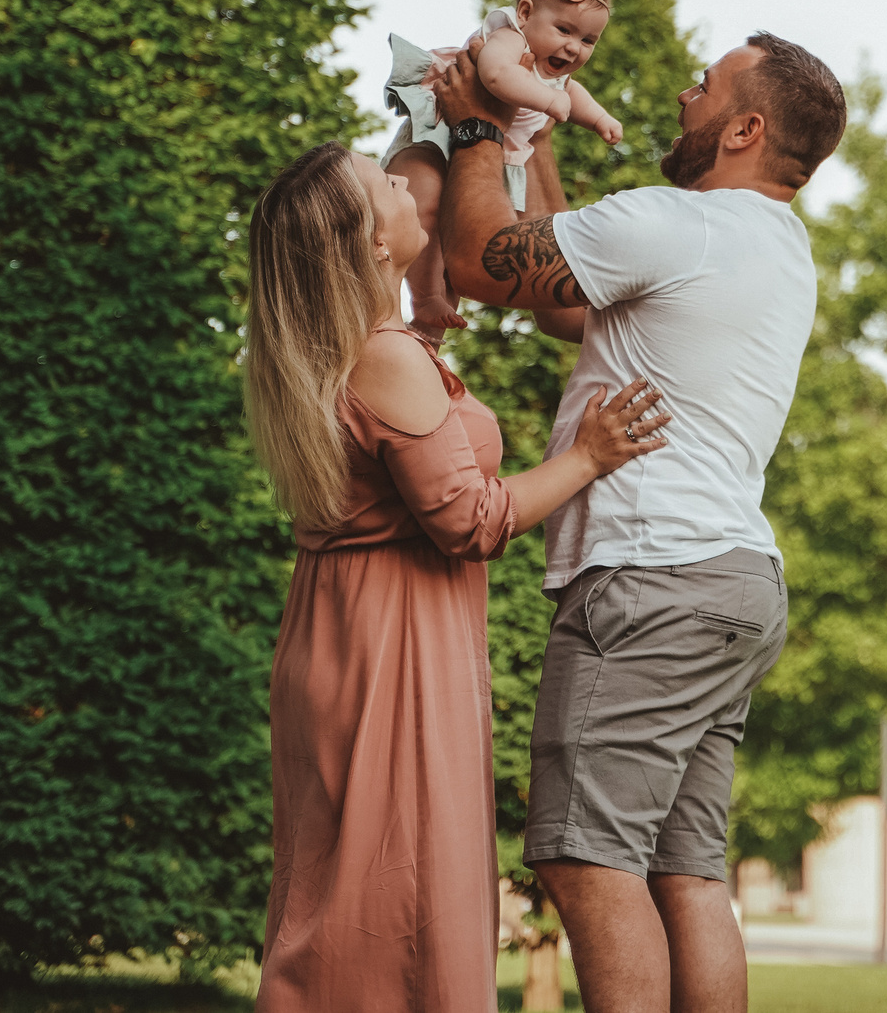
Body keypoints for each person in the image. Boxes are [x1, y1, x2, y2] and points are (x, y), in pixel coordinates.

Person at [431, 30, 849, 1013]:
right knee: (684, 873)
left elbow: (482, 261)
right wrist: (540, 137)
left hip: (649, 583)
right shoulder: (774, 246)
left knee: (584, 857)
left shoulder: (681, 224)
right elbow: (563, 303)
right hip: (733, 582)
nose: (679, 92)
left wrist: (480, 128)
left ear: (744, 127)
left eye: (703, 86)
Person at [247, 142, 674, 1012]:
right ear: (369, 242)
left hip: (345, 631)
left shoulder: (371, 343)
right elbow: (471, 520)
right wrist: (590, 455)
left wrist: (469, 120)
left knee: (352, 887)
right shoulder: (387, 356)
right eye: (386, 186)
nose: (408, 187)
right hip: (388, 647)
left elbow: (430, 190)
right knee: (394, 891)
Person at [381, 0, 626, 339]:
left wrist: (599, 119)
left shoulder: (555, 76)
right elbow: (496, 76)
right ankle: (425, 298)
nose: (574, 47)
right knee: (422, 206)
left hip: (480, 160)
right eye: (564, 29)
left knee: (461, 238)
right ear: (525, 12)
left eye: (587, 40)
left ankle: (431, 327)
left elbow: (573, 94)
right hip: (437, 141)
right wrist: (546, 102)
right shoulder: (509, 37)